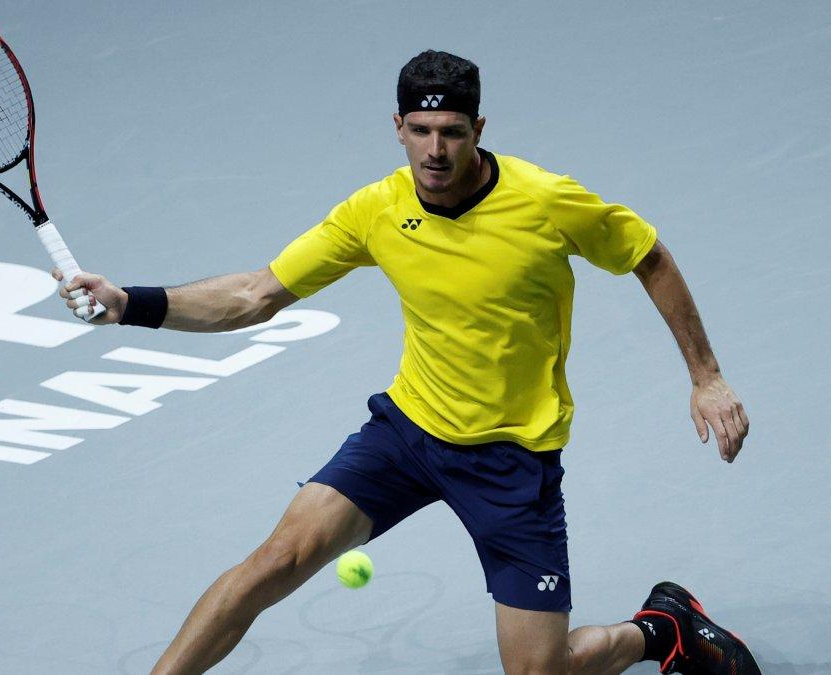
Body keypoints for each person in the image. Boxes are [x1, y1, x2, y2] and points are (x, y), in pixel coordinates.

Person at [54, 50, 759, 675]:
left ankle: (658, 628)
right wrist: (129, 303)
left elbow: (647, 255)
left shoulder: (545, 202)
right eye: (420, 131)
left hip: (512, 460)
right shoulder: (378, 210)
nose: (435, 150)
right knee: (274, 561)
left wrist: (706, 376)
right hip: (408, 436)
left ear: (479, 130)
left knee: (541, 671)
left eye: (452, 131)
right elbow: (253, 295)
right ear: (397, 127)